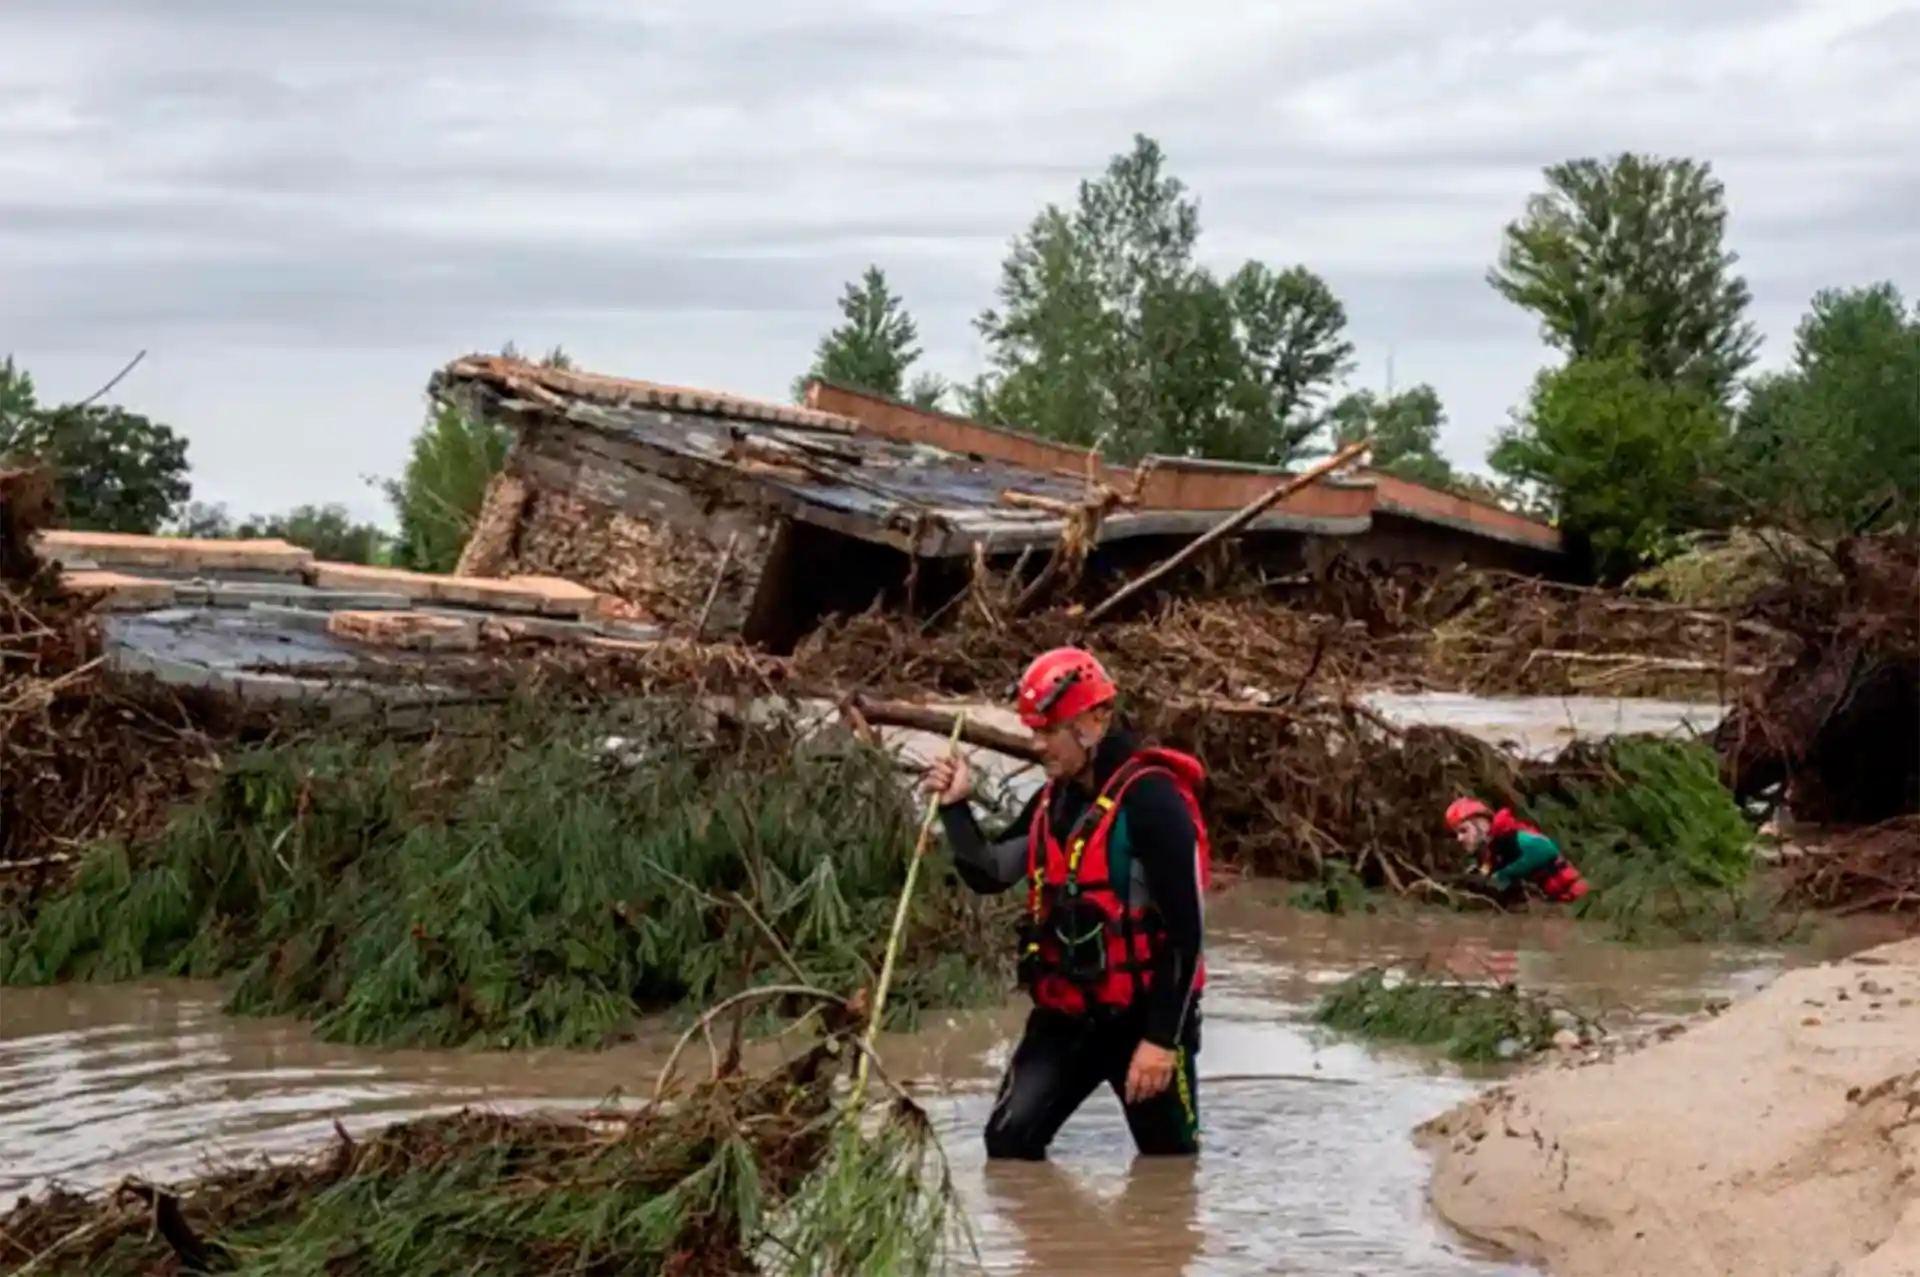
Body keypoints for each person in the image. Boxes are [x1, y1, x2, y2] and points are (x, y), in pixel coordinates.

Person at [925, 646, 1209, 1161]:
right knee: (1007, 1145)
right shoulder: (1051, 802)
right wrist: (956, 809)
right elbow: (990, 873)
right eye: (1034, 730)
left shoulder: (1154, 802)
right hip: (1066, 1017)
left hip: (1144, 1020)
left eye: (1049, 731)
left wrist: (1161, 1042)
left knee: (1169, 1168)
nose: (1037, 746)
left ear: (1094, 721)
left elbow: (1187, 936)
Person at [1444, 797, 1589, 903]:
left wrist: (1504, 874)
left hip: (1577, 898)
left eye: (1464, 830)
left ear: (1481, 825)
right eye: (1457, 833)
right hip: (1553, 904)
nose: (1459, 838)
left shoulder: (1512, 836)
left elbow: (1546, 849)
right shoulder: (1489, 852)